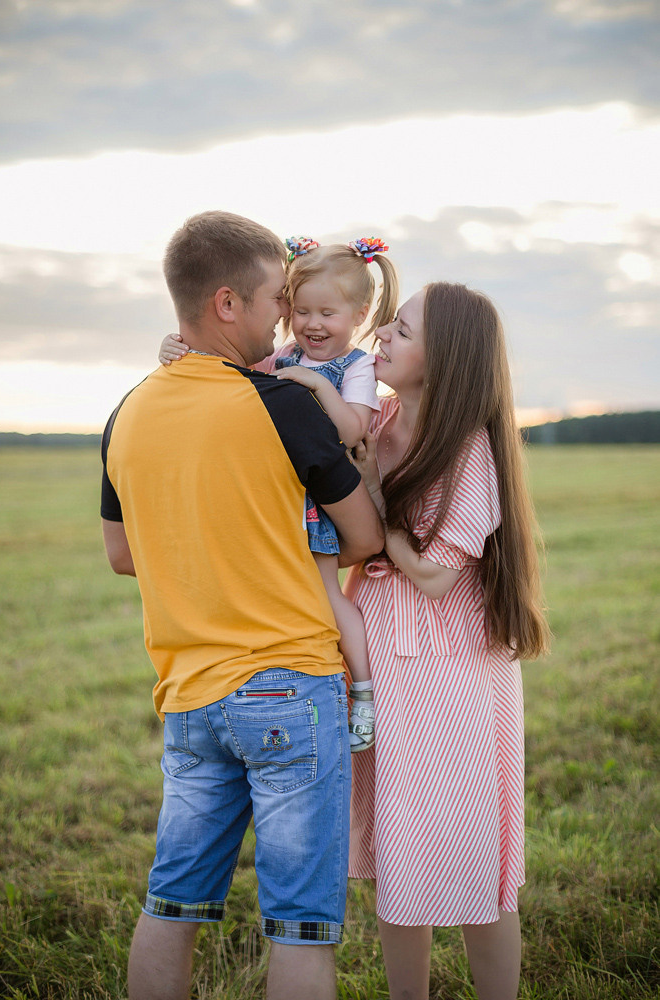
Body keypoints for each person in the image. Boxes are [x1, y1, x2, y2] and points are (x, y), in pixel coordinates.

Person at [100, 210, 384, 1000]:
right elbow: (362, 538)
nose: (284, 316)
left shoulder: (127, 410)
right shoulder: (284, 404)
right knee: (299, 928)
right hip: (290, 684)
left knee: (170, 905)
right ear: (227, 303)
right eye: (273, 299)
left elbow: (123, 554)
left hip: (189, 694)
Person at [345, 282, 550, 1000]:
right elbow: (299, 374)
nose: (381, 335)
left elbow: (434, 575)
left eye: (401, 331)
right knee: (398, 852)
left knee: (469, 849)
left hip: (450, 669)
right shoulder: (375, 418)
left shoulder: (468, 451)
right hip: (381, 656)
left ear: (445, 360)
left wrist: (375, 502)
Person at [160, 235, 399, 753]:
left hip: (322, 499)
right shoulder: (285, 353)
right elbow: (235, 383)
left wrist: (317, 385)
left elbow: (354, 429)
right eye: (301, 310)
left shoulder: (356, 366)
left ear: (359, 315)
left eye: (327, 313)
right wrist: (175, 351)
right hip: (278, 495)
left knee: (327, 593)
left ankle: (362, 691)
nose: (312, 324)